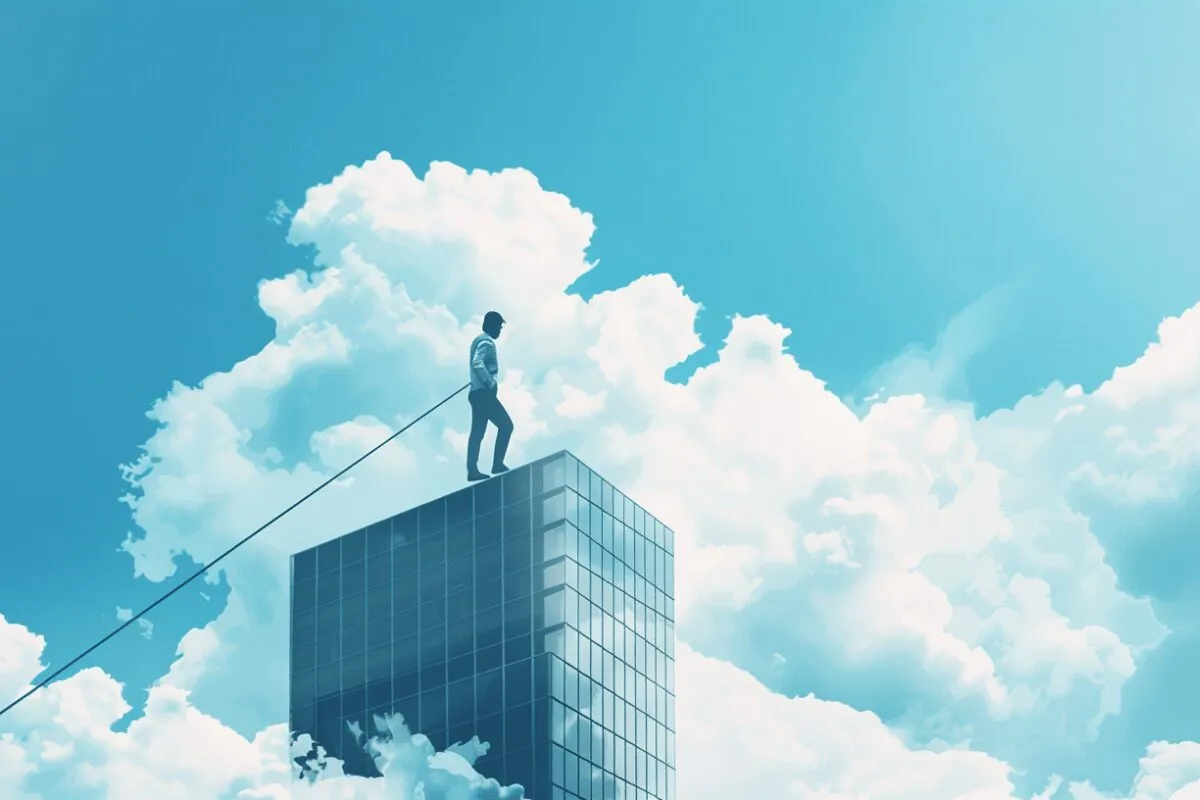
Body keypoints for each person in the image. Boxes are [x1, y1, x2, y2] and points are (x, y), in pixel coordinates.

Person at [466, 310, 513, 482]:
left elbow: (477, 364)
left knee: (477, 433)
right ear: (492, 326)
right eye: (499, 327)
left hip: (476, 393)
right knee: (507, 426)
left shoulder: (477, 340)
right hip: (484, 394)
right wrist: (489, 383)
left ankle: (472, 470)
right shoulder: (487, 342)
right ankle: (497, 464)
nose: (500, 331)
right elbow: (477, 363)